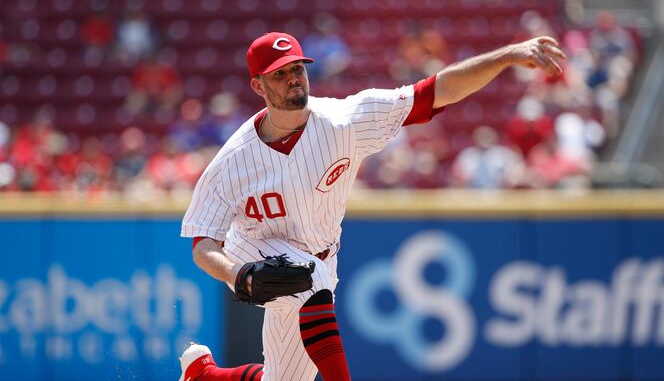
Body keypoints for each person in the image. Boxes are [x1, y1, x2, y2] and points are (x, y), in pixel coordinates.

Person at [178, 31, 565, 381]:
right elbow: (202, 241)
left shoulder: (345, 121)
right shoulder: (233, 160)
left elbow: (435, 91)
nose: (293, 77)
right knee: (306, 276)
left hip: (323, 258)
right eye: (279, 74)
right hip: (255, 251)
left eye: (297, 67)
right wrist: (235, 274)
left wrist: (508, 55)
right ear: (258, 85)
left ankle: (204, 375)